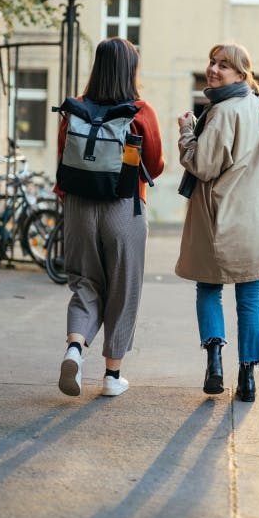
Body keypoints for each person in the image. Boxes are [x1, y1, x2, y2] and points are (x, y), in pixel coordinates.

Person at [175, 42, 259, 402]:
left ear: (241, 74)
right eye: (211, 61)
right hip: (255, 218)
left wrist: (187, 133)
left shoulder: (223, 112)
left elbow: (203, 166)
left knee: (209, 288)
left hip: (220, 220)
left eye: (223, 65)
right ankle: (248, 378)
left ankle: (215, 364)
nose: (213, 69)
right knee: (250, 298)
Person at [55, 37, 164, 397]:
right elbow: (156, 165)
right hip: (124, 208)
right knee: (123, 289)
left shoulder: (76, 109)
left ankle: (74, 347)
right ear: (130, 69)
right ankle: (111, 376)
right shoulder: (140, 111)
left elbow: (63, 161)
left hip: (78, 208)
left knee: (85, 283)